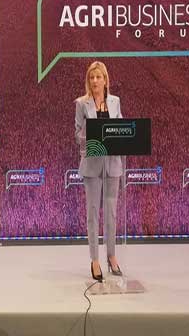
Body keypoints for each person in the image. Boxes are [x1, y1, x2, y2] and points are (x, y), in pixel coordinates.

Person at [74, 61, 123, 280]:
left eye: (98, 77)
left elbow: (122, 130)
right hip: (92, 165)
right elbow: (78, 135)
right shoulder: (81, 104)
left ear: (105, 80)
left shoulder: (115, 102)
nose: (95, 81)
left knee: (111, 213)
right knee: (93, 214)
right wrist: (91, 131)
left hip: (112, 164)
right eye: (91, 77)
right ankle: (94, 260)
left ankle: (111, 256)